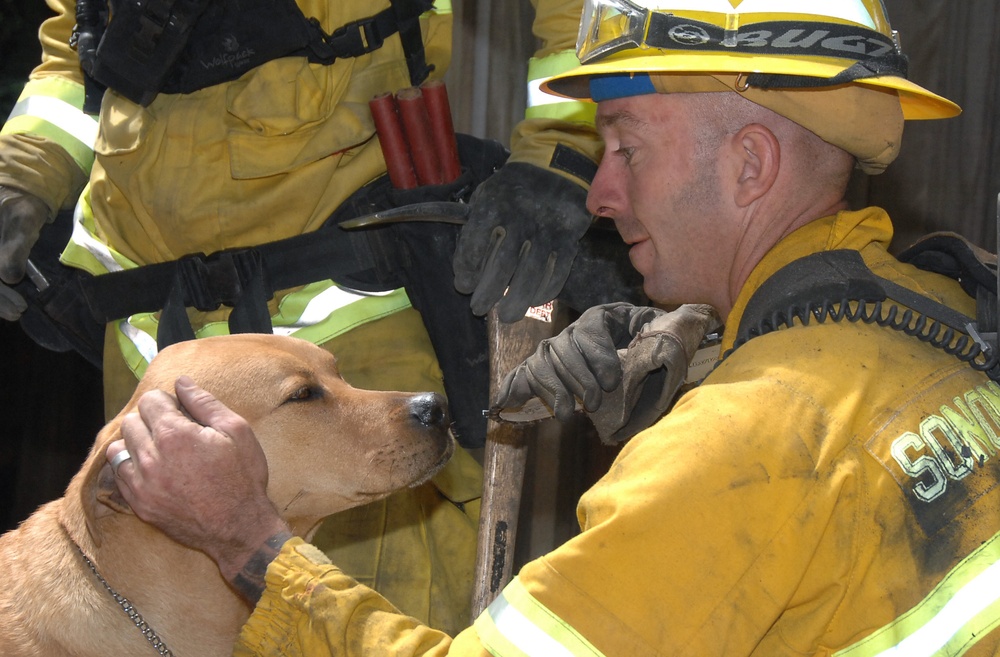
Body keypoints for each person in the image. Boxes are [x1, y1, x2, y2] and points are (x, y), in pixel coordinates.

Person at [107, 0, 1000, 654]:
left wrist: (248, 542)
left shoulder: (738, 450)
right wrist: (702, 356)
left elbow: (771, 465)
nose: (601, 196)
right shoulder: (945, 305)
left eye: (626, 147)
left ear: (752, 164)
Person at [0, 0, 605, 635]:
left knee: (361, 627)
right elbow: (81, 49)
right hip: (147, 342)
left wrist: (562, 155)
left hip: (350, 339)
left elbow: (586, 13)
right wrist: (22, 176)